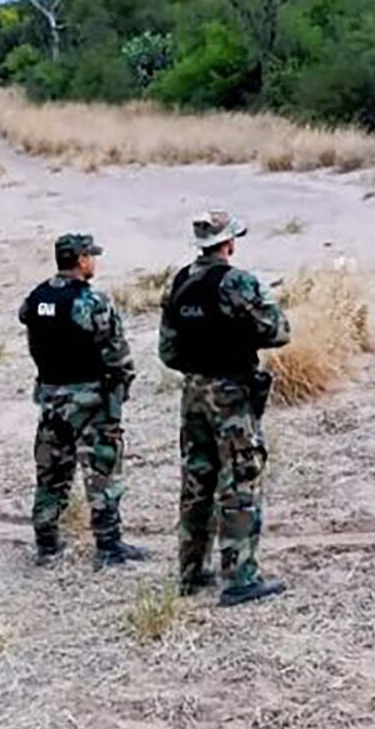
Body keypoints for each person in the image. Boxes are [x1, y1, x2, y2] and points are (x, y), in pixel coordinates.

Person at [158, 210, 291, 606]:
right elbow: (279, 332)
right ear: (228, 243)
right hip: (232, 394)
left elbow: (168, 351)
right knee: (240, 480)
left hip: (194, 394)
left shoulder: (179, 282)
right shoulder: (239, 283)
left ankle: (191, 571)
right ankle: (240, 577)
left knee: (197, 481)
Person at [19, 232, 147, 568]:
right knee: (102, 473)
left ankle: (46, 544)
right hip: (90, 400)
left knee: (51, 473)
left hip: (50, 399)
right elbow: (118, 357)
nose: (94, 261)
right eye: (91, 255)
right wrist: (120, 389)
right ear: (81, 260)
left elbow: (30, 324)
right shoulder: (91, 301)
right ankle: (108, 546)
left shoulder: (36, 297)